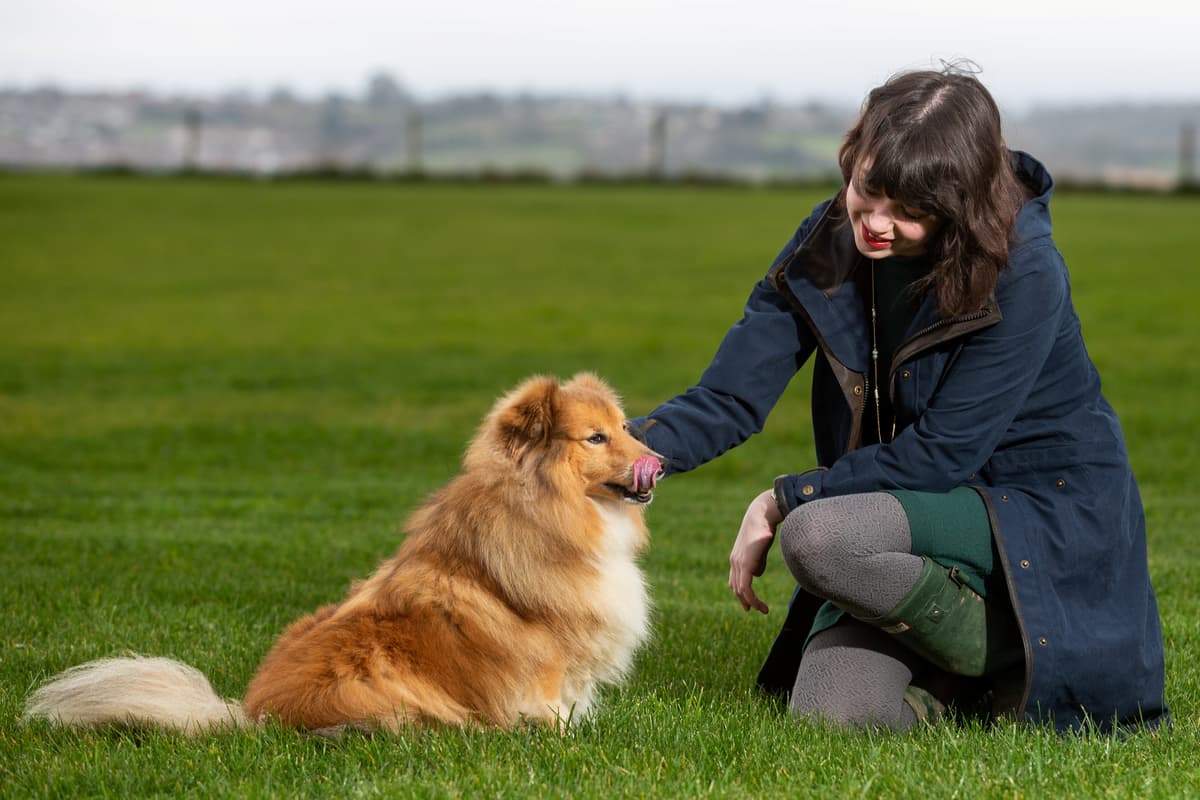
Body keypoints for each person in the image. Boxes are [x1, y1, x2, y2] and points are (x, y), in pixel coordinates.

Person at [631, 66, 1168, 733]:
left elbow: (942, 455)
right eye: (867, 190)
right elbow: (731, 395)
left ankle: (1010, 648)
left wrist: (782, 498)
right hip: (904, 516)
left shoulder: (1026, 270)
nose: (876, 223)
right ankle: (964, 675)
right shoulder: (829, 241)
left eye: (910, 212)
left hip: (1028, 513)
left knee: (815, 535)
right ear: (853, 159)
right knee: (832, 717)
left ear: (961, 205)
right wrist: (615, 454)